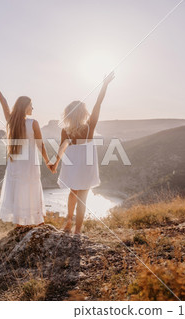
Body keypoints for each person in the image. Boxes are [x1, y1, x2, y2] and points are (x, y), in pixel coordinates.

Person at [49, 72, 115, 234]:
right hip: (87, 162)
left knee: (73, 193)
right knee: (83, 198)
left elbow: (62, 147)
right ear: (83, 113)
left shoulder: (66, 130)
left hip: (72, 162)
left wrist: (55, 163)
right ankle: (78, 230)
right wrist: (104, 85)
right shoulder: (89, 127)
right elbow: (98, 103)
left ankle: (68, 222)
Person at [0, 75, 51, 227]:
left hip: (15, 165)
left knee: (18, 191)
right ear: (25, 106)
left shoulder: (11, 121)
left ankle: (20, 225)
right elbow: (41, 145)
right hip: (29, 165)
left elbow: (4, 103)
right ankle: (38, 224)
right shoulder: (33, 123)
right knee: (31, 189)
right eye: (31, 105)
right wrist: (48, 162)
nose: (33, 108)